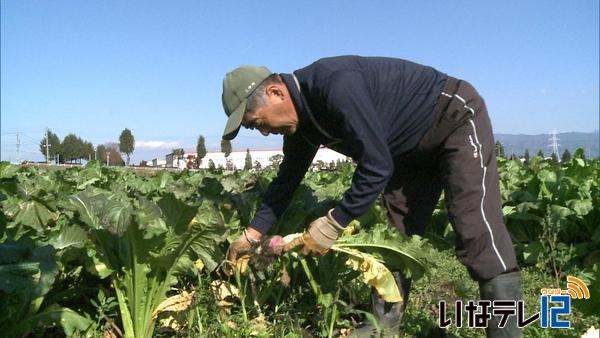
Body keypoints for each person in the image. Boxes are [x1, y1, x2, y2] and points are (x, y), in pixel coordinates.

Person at [222, 55, 522, 337]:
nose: (263, 133)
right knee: (394, 240)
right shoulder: (301, 127)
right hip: (406, 153)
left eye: (258, 123)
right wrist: (252, 234)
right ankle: (382, 325)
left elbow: (377, 166)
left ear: (275, 92)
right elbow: (286, 180)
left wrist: (333, 223)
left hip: (452, 118)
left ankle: (506, 331)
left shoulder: (334, 86)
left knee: (475, 226)